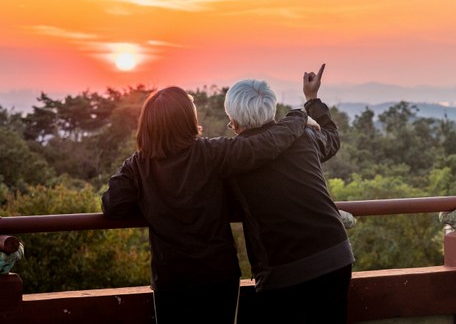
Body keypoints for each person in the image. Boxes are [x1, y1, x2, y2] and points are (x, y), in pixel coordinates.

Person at [101, 85, 314, 324]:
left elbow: (113, 206)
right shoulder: (211, 153)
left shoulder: (138, 166)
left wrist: (148, 199)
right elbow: (264, 145)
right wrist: (298, 117)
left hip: (171, 279)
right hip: (217, 276)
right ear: (187, 120)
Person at [224, 64, 354, 324]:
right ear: (271, 110)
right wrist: (311, 99)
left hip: (283, 271)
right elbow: (331, 138)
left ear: (234, 122)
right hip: (335, 256)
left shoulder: (231, 160)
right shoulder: (304, 137)